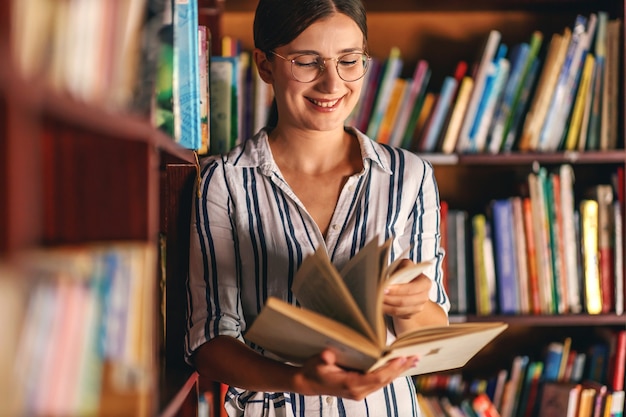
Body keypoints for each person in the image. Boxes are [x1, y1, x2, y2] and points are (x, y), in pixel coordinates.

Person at [185, 0, 450, 416]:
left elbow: (432, 339)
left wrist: (412, 306)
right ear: (265, 65)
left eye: (349, 61)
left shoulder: (410, 176)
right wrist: (296, 379)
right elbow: (209, 342)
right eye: (307, 62)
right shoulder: (225, 181)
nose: (332, 84)